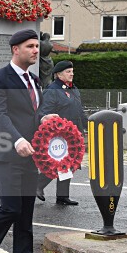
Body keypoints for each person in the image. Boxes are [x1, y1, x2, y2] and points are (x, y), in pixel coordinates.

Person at [0, 29, 54, 253]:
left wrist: (44, 119)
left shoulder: (34, 80)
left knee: (25, 213)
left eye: (36, 46)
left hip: (30, 155)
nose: (36, 50)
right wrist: (18, 139)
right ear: (15, 49)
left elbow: (30, 114)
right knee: (11, 207)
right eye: (30, 46)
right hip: (5, 154)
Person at [36, 60, 87, 205]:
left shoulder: (73, 89)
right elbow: (45, 112)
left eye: (72, 71)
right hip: (59, 135)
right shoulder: (52, 90)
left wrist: (90, 125)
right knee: (59, 163)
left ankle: (62, 196)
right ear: (58, 74)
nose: (72, 74)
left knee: (69, 163)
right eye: (68, 72)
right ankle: (38, 185)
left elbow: (79, 111)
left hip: (74, 134)